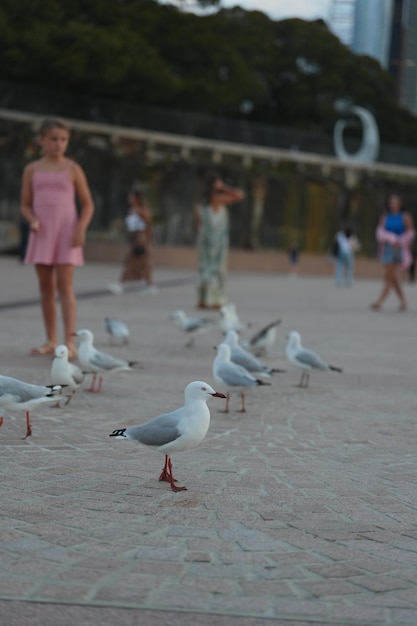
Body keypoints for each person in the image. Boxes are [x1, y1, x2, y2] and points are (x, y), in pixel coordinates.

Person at [20, 118, 94, 359]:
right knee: (45, 289)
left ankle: (69, 342)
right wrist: (31, 219)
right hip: (42, 234)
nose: (58, 144)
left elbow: (87, 205)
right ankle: (51, 341)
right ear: (42, 140)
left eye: (63, 139)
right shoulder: (32, 169)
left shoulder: (73, 169)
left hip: (66, 234)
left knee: (65, 288)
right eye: (53, 139)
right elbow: (24, 204)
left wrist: (81, 228)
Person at [195, 174, 244, 309]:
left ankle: (203, 299)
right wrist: (225, 188)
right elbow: (240, 195)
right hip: (218, 242)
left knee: (204, 269)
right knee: (217, 270)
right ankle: (215, 300)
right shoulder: (217, 199)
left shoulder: (201, 202)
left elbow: (198, 224)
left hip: (204, 241)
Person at [107, 189, 158, 295]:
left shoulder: (142, 211)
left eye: (131, 197)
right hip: (135, 240)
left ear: (137, 198)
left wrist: (144, 238)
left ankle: (122, 284)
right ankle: (149, 285)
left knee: (135, 263)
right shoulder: (132, 210)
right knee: (141, 264)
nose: (129, 199)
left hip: (141, 241)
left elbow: (147, 226)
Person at [371, 193, 415, 311]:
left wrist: (399, 241)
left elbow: (410, 233)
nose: (393, 205)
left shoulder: (405, 216)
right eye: (391, 202)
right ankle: (403, 301)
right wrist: (388, 238)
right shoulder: (385, 216)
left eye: (395, 202)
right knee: (393, 277)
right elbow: (380, 231)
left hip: (398, 248)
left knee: (389, 276)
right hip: (386, 248)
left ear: (400, 204)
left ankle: (380, 301)